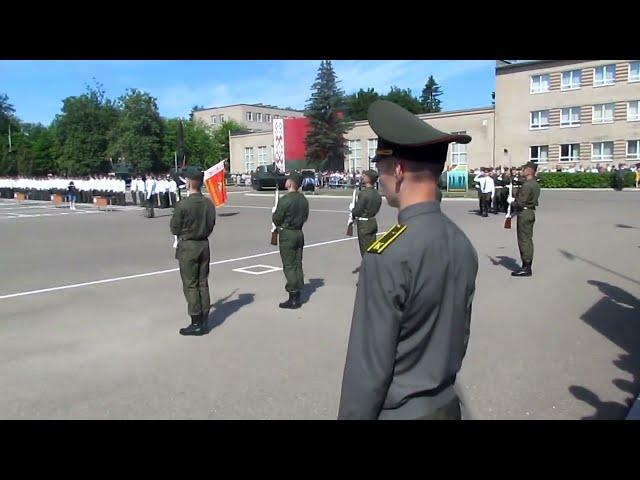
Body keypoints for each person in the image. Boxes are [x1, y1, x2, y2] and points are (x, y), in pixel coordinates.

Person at [338, 100, 478, 420]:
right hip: (447, 405)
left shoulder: (388, 255)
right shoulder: (461, 243)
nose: (381, 176)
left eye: (381, 167)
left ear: (398, 170)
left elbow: (368, 370)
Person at [170, 167, 217, 336]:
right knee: (202, 283)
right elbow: (211, 225)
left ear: (189, 182)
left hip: (188, 246)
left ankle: (196, 321)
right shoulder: (208, 204)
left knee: (191, 285)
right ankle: (204, 318)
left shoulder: (183, 205)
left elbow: (174, 228)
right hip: (204, 244)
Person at [272, 172, 309, 309]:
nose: (286, 181)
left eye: (288, 179)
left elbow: (276, 219)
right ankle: (298, 291)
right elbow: (305, 217)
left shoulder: (285, 199)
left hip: (287, 234)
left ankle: (293, 296)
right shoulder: (303, 199)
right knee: (298, 263)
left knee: (289, 265)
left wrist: (275, 216)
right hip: (299, 232)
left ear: (292, 183)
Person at [507, 161, 541, 277]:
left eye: (525, 169)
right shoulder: (534, 183)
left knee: (524, 240)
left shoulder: (527, 185)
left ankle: (526, 268)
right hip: (530, 212)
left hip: (524, 213)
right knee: (528, 239)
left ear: (530, 170)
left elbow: (520, 203)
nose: (523, 170)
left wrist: (512, 202)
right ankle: (527, 265)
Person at [351, 169, 382, 262]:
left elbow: (357, 211)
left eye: (364, 176)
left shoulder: (364, 194)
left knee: (365, 251)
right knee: (373, 249)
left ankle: (369, 271)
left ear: (369, 179)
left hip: (364, 225)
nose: (362, 177)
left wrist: (352, 210)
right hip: (372, 221)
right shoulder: (377, 194)